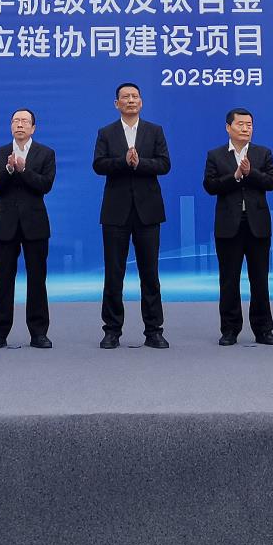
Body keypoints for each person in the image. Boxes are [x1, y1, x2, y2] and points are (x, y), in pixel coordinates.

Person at [93, 81, 170, 349]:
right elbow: (98, 165)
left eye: (135, 96)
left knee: (150, 274)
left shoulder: (154, 131)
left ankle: (154, 331)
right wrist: (123, 162)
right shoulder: (106, 132)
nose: (130, 100)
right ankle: (112, 331)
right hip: (116, 212)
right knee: (114, 275)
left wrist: (140, 163)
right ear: (117, 103)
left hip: (148, 211)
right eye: (125, 97)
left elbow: (164, 164)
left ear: (141, 102)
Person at [202, 107, 273, 346]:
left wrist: (250, 172)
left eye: (249, 125)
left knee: (260, 280)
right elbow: (210, 186)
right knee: (229, 280)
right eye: (241, 124)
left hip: (257, 225)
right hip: (229, 226)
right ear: (228, 127)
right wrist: (235, 176)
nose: (246, 129)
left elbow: (272, 182)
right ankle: (229, 330)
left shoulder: (263, 153)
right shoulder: (216, 155)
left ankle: (263, 330)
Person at [0, 108, 55, 350]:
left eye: (25, 121)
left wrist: (24, 170)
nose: (20, 125)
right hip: (5, 225)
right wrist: (8, 170)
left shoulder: (46, 153)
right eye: (15, 121)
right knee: (4, 279)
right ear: (10, 126)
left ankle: (39, 333)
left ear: (33, 128)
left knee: (37, 279)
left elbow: (45, 185)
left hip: (35, 224)